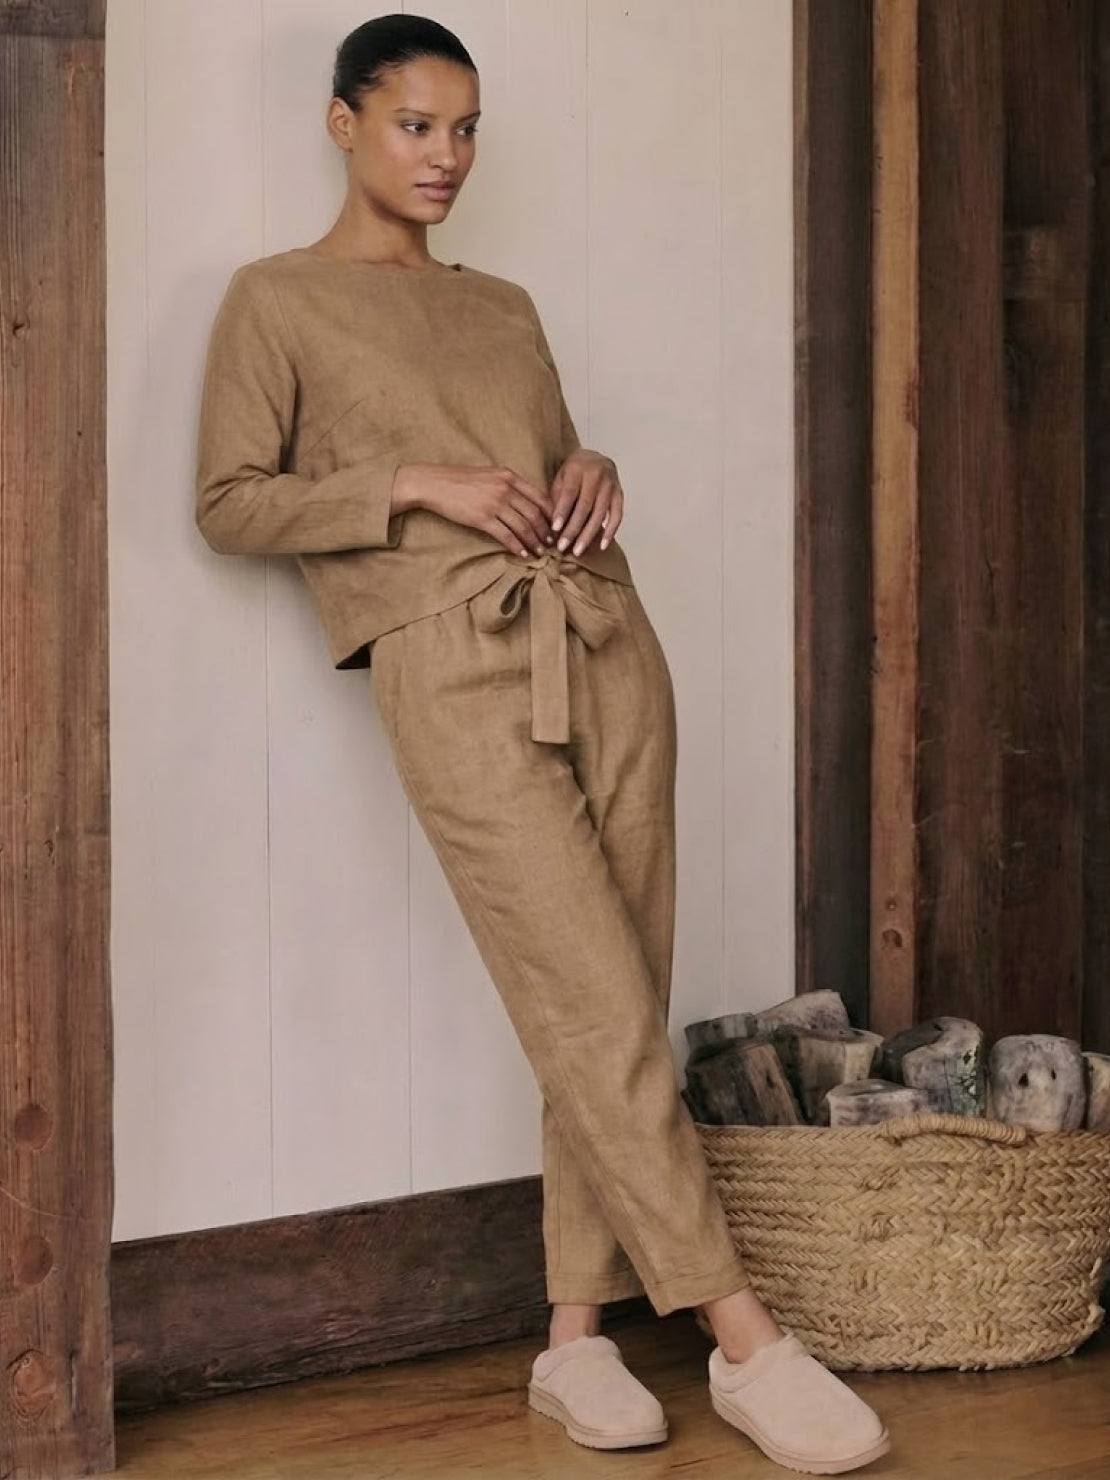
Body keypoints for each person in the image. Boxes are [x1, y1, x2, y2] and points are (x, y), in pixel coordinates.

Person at [194, 14, 890, 1474]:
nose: (444, 155)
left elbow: (544, 455)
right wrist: (414, 482)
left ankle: (574, 1340)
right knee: (588, 999)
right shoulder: (277, 297)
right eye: (414, 125)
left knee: (619, 988)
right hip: (448, 662)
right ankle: (746, 1341)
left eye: (464, 129)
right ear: (342, 122)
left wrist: (590, 464)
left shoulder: (501, 303)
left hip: (605, 635)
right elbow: (230, 502)